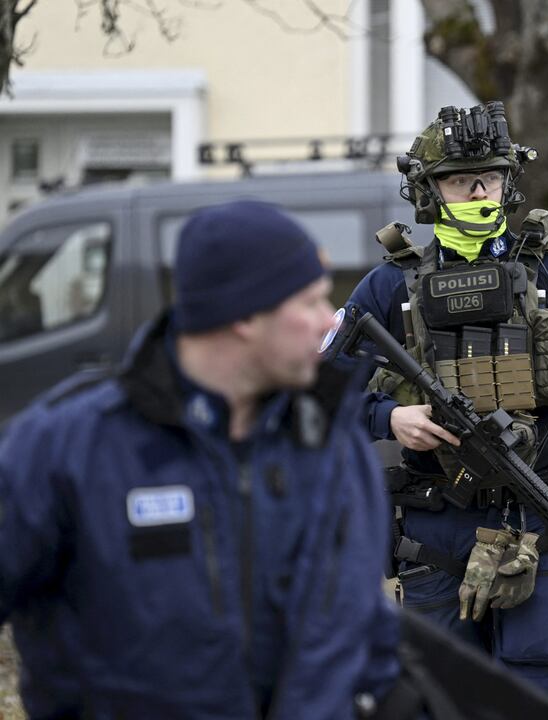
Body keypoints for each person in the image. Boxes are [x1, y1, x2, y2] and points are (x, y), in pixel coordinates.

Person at [0, 201, 400, 718]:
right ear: (243, 315)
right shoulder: (68, 450)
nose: (329, 320)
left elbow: (370, 646)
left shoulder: (333, 447)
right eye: (309, 301)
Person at [342, 101, 548, 710]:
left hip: (542, 513)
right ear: (429, 191)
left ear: (508, 182)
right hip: (434, 523)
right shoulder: (388, 288)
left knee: (539, 684)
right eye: (460, 180)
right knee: (437, 693)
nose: (478, 192)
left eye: (489, 178)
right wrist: (389, 418)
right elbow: (314, 395)